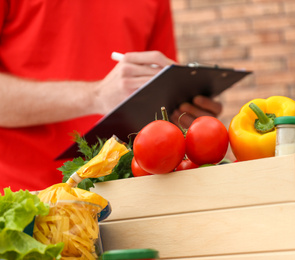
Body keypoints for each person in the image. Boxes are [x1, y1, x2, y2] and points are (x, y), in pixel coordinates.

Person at [0, 1, 222, 192]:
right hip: (23, 200)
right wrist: (96, 96)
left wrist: (180, 114)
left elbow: (155, 93)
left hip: (125, 193)